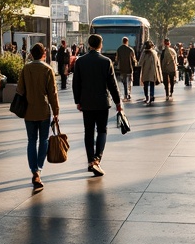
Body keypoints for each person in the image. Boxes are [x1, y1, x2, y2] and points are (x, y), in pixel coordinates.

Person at [72, 33, 123, 176]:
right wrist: (118, 102)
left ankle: (90, 161)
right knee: (102, 130)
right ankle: (97, 159)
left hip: (86, 102)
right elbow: (112, 84)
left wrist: (78, 101)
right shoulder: (106, 61)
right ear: (101, 45)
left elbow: (76, 84)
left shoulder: (80, 62)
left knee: (88, 132)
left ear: (89, 44)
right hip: (102, 102)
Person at [17, 43, 60, 189]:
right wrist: (56, 111)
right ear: (44, 54)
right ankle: (39, 170)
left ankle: (33, 170)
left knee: (31, 141)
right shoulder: (48, 69)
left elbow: (20, 89)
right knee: (44, 140)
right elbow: (53, 93)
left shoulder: (26, 68)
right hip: (43, 111)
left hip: (29, 110)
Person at [138, 39, 160, 104]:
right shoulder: (154, 53)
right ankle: (152, 95)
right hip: (153, 71)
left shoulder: (144, 53)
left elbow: (140, 63)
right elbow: (157, 63)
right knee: (152, 84)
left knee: (145, 85)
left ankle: (147, 97)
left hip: (145, 71)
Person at [115, 36, 136, 101]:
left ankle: (125, 94)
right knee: (130, 81)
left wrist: (115, 64)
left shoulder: (119, 49)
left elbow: (117, 59)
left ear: (122, 41)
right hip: (129, 68)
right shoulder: (130, 49)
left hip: (122, 68)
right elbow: (133, 59)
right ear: (127, 41)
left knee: (124, 82)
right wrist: (135, 64)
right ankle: (129, 93)